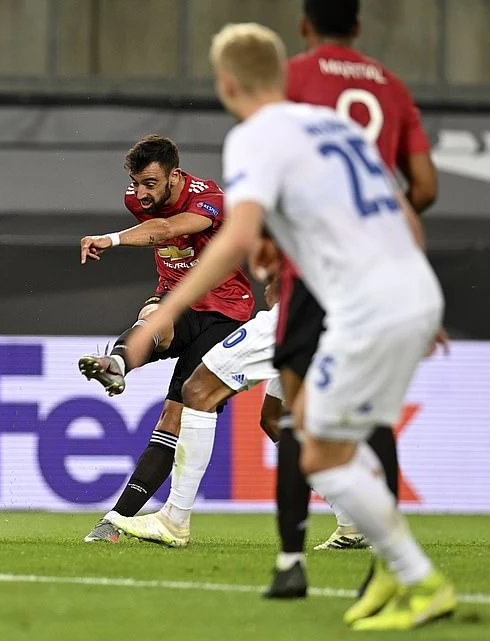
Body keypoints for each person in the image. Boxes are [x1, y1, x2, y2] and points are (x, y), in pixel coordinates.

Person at [123, 22, 456, 632]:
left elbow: (236, 239)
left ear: (227, 83)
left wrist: (166, 311)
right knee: (317, 437)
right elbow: (404, 208)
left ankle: (401, 572)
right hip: (408, 294)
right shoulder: (336, 128)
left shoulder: (257, 137)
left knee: (304, 438)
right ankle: (405, 574)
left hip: (350, 303)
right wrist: (417, 291)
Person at [281, 0, 441, 554]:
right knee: (372, 414)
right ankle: (388, 556)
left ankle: (290, 561)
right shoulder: (391, 86)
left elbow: (276, 163)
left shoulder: (294, 76)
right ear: (357, 26)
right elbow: (425, 186)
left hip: (315, 266)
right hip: (377, 269)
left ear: (304, 26)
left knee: (292, 410)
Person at [77, 134, 254, 543]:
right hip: (178, 299)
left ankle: (115, 521)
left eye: (150, 184)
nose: (140, 194)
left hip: (224, 314)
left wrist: (112, 239)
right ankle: (116, 364)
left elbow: (168, 229)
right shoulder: (138, 199)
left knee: (172, 418)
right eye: (135, 183)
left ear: (175, 176)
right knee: (152, 317)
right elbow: (155, 226)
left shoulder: (210, 197)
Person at [109, 277, 285, 547]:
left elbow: (225, 258)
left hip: (298, 313)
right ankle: (348, 523)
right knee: (274, 418)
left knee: (199, 388)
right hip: (340, 321)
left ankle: (175, 519)